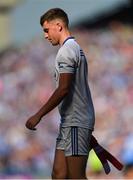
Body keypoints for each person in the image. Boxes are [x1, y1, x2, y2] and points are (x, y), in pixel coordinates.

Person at [25, 8, 123, 179]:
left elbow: (64, 88)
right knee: (59, 174)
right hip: (70, 121)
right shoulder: (72, 48)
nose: (46, 36)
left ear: (59, 26)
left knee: (75, 177)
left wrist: (38, 115)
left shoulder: (67, 51)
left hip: (75, 121)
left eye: (47, 30)